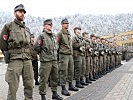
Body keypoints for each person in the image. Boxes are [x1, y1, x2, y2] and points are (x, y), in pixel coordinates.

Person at [0, 4, 34, 100]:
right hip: (15, 58)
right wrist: (8, 54)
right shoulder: (8, 26)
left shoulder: (27, 29)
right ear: (15, 13)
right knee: (13, 85)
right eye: (20, 12)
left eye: (23, 12)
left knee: (29, 83)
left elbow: (29, 44)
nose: (22, 14)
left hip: (27, 59)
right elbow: (2, 42)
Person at [34, 19, 63, 100]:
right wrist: (43, 54)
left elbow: (56, 46)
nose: (50, 26)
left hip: (54, 60)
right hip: (45, 61)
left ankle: (54, 93)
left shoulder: (54, 35)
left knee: (55, 77)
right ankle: (43, 96)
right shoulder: (42, 36)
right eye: (49, 24)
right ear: (44, 26)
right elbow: (36, 47)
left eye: (51, 25)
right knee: (44, 78)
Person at [57, 19, 78, 96]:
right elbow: (57, 45)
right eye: (65, 23)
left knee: (71, 70)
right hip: (63, 55)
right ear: (62, 24)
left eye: (68, 23)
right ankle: (63, 88)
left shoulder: (69, 33)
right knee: (63, 71)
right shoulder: (59, 34)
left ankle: (70, 85)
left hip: (69, 54)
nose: (67, 25)